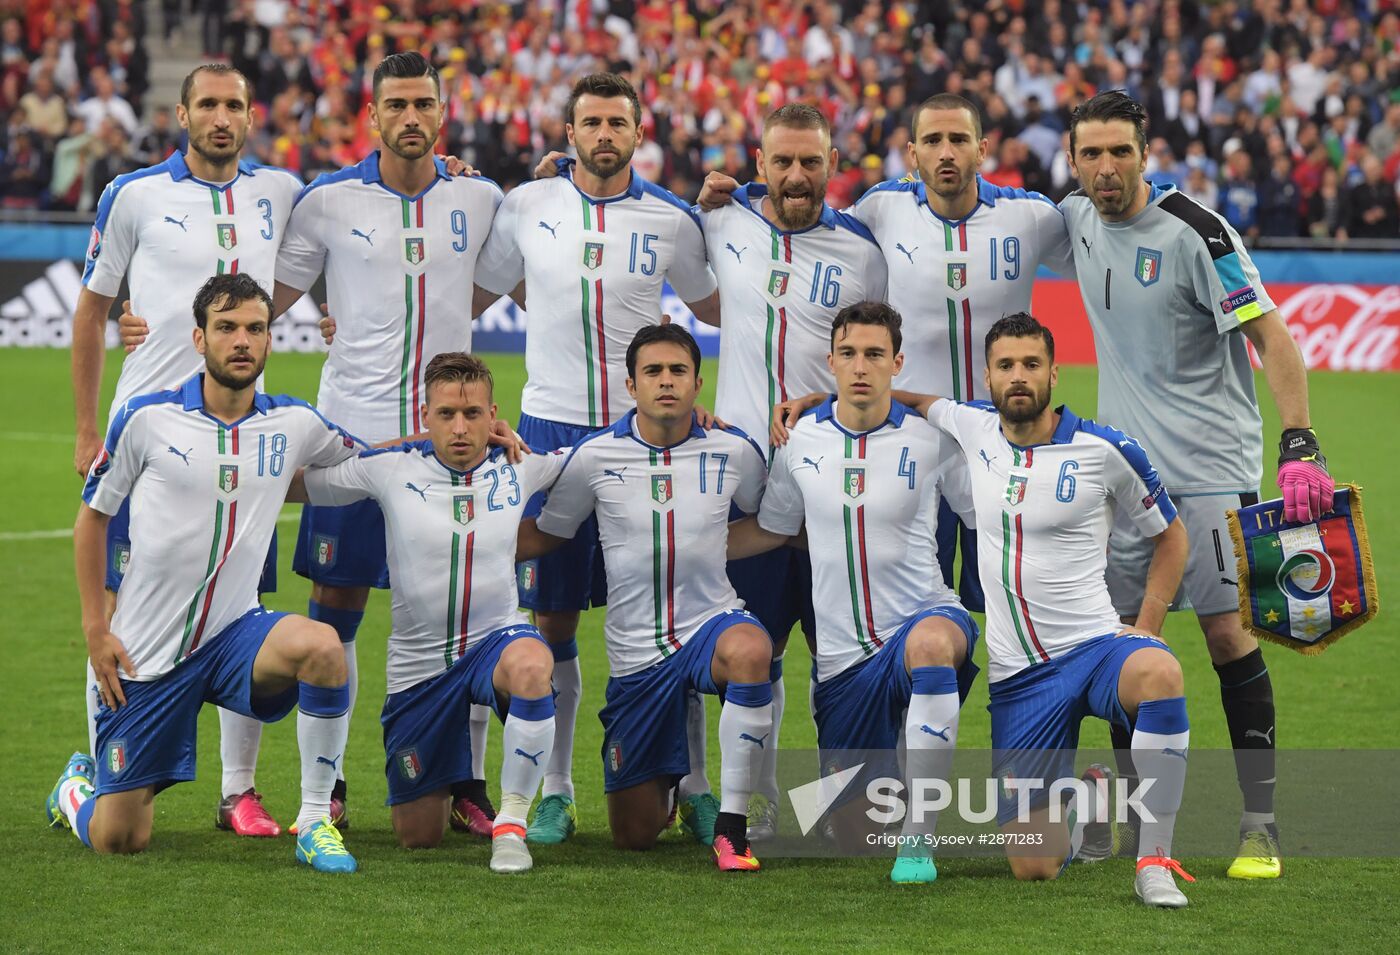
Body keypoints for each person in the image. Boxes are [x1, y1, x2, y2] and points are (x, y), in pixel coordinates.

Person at [1060, 90, 1335, 878]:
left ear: (1146, 152)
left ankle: (1259, 825)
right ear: (1073, 161)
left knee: (1225, 637)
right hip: (1124, 480)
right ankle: (1126, 822)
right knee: (1121, 645)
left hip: (1211, 474)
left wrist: (1299, 443)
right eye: (1091, 154)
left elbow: (1271, 336)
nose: (1106, 167)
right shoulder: (1075, 217)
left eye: (1120, 151)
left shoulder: (1198, 232)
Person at [830, 312, 1194, 907]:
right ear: (989, 376)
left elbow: (1171, 536)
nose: (1018, 377)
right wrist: (820, 397)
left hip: (1097, 648)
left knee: (1161, 673)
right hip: (1021, 681)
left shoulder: (1106, 449)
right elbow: (912, 399)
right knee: (1033, 866)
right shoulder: (972, 427)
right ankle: (1090, 807)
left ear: (1055, 372)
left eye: (1031, 365)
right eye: (1006, 366)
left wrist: (1148, 627)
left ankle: (1154, 861)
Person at [476, 72, 722, 846]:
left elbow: (726, 310)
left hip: (643, 435)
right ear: (570, 130)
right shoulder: (527, 204)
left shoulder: (671, 220)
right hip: (546, 435)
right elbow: (467, 295)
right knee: (551, 624)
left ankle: (699, 785)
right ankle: (557, 789)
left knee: (668, 616)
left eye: (619, 121)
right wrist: (473, 405)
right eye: (592, 121)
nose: (605, 133)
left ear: (639, 132)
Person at [48, 274, 362, 873]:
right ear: (199, 338)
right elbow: (91, 521)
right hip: (149, 655)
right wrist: (96, 627)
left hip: (236, 639)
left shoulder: (294, 423)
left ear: (270, 343)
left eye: (254, 329)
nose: (241, 340)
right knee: (121, 838)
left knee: (324, 646)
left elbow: (374, 458)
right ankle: (74, 789)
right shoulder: (146, 419)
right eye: (226, 328)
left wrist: (465, 442)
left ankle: (317, 821)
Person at [269, 51, 509, 834]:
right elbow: (272, 291)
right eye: (397, 105)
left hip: (448, 447)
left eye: (424, 104)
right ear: (372, 117)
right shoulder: (327, 201)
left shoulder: (480, 196)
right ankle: (326, 785)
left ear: (444, 113)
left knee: (459, 609)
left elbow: (481, 285)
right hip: (351, 440)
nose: (412, 117)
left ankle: (466, 780)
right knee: (335, 608)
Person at [71, 63, 304, 838]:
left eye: (234, 104)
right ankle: (99, 761)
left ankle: (239, 789)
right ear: (181, 114)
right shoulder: (134, 194)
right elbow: (93, 306)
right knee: (117, 604)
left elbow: (345, 222)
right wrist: (83, 428)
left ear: (250, 114)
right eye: (207, 104)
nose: (221, 117)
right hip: (150, 434)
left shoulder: (280, 192)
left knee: (245, 602)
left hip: (243, 437)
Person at [694, 102, 889, 841]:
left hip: (835, 483)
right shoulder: (721, 221)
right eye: (784, 162)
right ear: (761, 162)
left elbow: (877, 354)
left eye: (812, 161)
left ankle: (843, 800)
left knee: (839, 647)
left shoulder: (862, 254)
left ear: (833, 162)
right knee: (756, 647)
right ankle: (761, 795)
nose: (798, 175)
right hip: (745, 481)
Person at [733, 302, 979, 886]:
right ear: (831, 362)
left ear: (897, 362)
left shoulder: (934, 442)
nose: (861, 366)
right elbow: (772, 528)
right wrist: (676, 545)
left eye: (874, 354)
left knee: (933, 642)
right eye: (849, 354)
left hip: (922, 617)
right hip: (843, 661)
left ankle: (919, 839)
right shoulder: (798, 443)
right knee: (855, 835)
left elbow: (985, 522)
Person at [289, 353, 560, 874]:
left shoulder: (523, 465)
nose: (460, 428)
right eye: (445, 416)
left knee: (530, 663)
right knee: (418, 836)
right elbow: (301, 484)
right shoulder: (392, 469)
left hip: (495, 643)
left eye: (474, 415)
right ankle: (450, 789)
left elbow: (601, 460)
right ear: (425, 415)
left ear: (494, 416)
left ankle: (511, 825)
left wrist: (701, 425)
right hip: (419, 668)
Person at [516, 324, 773, 872]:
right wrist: (467, 546)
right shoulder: (593, 457)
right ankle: (673, 790)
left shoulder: (734, 450)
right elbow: (550, 533)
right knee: (633, 836)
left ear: (698, 383)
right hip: (637, 654)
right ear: (631, 385)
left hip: (710, 623)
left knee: (752, 650)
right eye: (653, 372)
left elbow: (771, 520)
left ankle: (731, 825)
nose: (666, 382)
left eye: (678, 371)